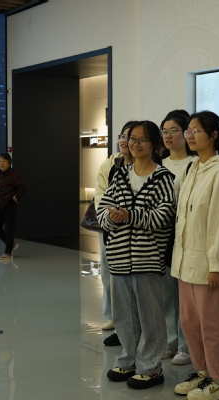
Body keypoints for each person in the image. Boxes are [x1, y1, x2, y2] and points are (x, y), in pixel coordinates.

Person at [172, 111, 219, 400]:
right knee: (190, 323)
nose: (190, 136)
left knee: (213, 325)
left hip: (209, 266)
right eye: (188, 131)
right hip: (186, 263)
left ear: (214, 136)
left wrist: (217, 265)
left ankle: (218, 380)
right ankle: (202, 371)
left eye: (196, 131)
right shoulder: (193, 168)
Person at [97, 120, 175, 390]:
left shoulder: (163, 178)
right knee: (124, 315)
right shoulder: (119, 175)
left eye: (142, 140)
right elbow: (102, 212)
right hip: (119, 257)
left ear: (154, 145)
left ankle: (151, 368)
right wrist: (113, 218)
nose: (135, 144)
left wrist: (131, 215)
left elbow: (164, 217)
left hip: (147, 258)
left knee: (151, 316)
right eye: (132, 139)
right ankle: (128, 359)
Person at [94, 121, 136, 333]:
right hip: (110, 227)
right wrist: (110, 216)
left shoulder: (144, 164)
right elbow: (100, 195)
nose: (124, 140)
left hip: (134, 226)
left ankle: (132, 319)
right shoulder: (109, 164)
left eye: (130, 137)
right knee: (108, 272)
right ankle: (111, 315)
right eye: (123, 136)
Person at [160, 109, 195, 366]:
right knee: (165, 294)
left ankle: (186, 345)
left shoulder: (194, 164)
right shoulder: (159, 165)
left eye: (173, 130)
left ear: (186, 133)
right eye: (164, 131)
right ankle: (170, 342)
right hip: (161, 235)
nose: (168, 135)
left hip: (184, 234)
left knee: (184, 295)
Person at [0, 152, 26, 260]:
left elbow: (23, 187)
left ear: (9, 163)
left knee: (9, 229)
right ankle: (11, 245)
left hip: (10, 204)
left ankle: (8, 253)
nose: (1, 163)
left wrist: (16, 196)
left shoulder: (14, 174)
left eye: (4, 161)